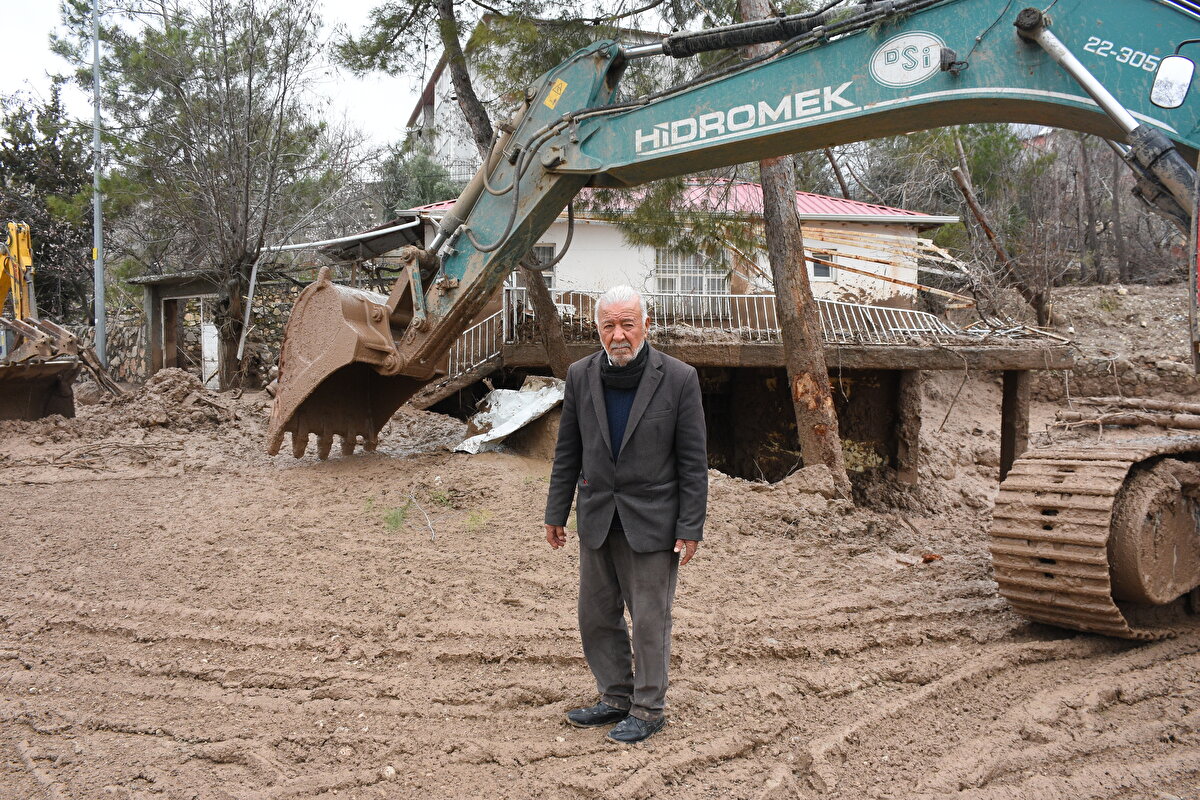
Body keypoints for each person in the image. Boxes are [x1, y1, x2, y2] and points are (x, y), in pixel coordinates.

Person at [544, 285, 707, 745]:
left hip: (654, 521)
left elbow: (693, 462)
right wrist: (557, 511)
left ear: (645, 326)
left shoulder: (678, 378)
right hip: (596, 516)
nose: (618, 335)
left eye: (627, 324)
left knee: (650, 618)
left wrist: (691, 526)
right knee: (596, 617)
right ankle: (615, 697)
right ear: (598, 329)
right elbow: (568, 451)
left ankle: (649, 708)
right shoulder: (580, 375)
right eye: (608, 325)